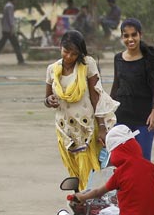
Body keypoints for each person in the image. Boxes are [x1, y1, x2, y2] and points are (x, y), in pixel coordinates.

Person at [44, 30, 119, 190]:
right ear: (60, 47)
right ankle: (80, 205)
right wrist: (49, 100)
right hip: (65, 130)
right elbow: (47, 98)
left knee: (93, 172)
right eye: (66, 52)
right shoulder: (52, 69)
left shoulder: (87, 64)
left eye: (74, 53)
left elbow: (95, 96)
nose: (69, 57)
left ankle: (90, 204)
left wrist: (102, 127)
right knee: (75, 172)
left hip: (87, 129)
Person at [110, 18, 154, 161]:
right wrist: (107, 111)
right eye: (126, 36)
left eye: (133, 35)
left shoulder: (150, 59)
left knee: (142, 160)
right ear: (122, 37)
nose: (130, 39)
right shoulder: (118, 59)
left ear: (140, 35)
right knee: (120, 160)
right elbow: (116, 85)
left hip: (144, 119)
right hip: (121, 116)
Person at [0, 0, 25, 65]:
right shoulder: (10, 6)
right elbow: (10, 18)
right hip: (9, 30)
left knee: (0, 45)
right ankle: (21, 60)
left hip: (6, 29)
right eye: (16, 0)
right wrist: (12, 28)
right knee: (15, 45)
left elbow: (4, 19)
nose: (17, 2)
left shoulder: (7, 6)